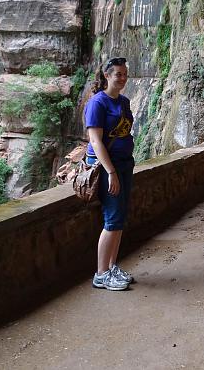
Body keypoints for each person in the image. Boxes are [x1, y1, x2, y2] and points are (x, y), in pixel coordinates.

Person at [85, 57, 136, 291]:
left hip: (125, 163)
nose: (123, 78)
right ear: (107, 76)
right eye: (118, 74)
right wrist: (111, 172)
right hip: (108, 166)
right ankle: (101, 273)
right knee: (113, 218)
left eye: (125, 74)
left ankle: (112, 266)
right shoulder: (98, 103)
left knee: (120, 218)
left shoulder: (123, 102)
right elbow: (95, 141)